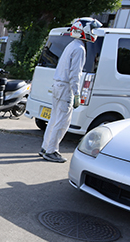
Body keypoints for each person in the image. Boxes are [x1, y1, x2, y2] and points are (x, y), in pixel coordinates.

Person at [40, 17, 102, 163]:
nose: (93, 32)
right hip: (66, 88)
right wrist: (76, 93)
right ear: (85, 30)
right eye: (92, 29)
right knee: (62, 122)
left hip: (58, 85)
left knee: (54, 119)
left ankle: (45, 147)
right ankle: (51, 151)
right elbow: (75, 75)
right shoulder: (79, 49)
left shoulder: (72, 45)